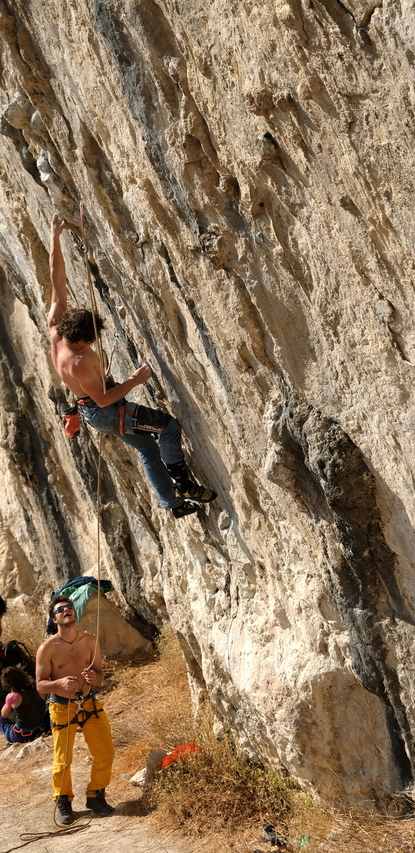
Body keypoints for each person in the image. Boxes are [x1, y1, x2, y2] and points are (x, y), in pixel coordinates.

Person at [47, 212, 217, 519]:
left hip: (94, 409)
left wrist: (55, 237)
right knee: (167, 427)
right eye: (91, 340)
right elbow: (104, 398)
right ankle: (185, 486)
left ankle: (173, 505)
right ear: (83, 339)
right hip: (106, 412)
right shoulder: (81, 361)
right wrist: (135, 381)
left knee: (148, 450)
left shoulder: (56, 327)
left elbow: (55, 277)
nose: (93, 343)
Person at [36, 595, 115, 825]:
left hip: (89, 703)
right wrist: (58, 684)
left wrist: (94, 677)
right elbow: (40, 685)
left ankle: (95, 796)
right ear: (54, 618)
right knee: (62, 760)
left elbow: (100, 676)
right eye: (61, 609)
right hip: (61, 708)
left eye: (70, 607)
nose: (67, 610)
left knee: (105, 754)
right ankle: (63, 800)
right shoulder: (47, 649)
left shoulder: (90, 641)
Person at [0, 667, 47, 744]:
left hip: (20, 735)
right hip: (40, 729)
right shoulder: (37, 688)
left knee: (1, 720)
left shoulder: (13, 696)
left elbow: (3, 714)